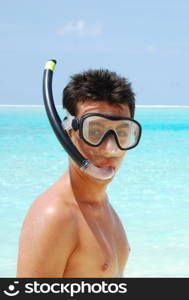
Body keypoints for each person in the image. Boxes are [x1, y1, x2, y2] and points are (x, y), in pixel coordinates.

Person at [17, 68, 141, 277]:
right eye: (94, 131)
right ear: (68, 131)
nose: (110, 148)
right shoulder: (55, 216)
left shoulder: (103, 205)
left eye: (121, 132)